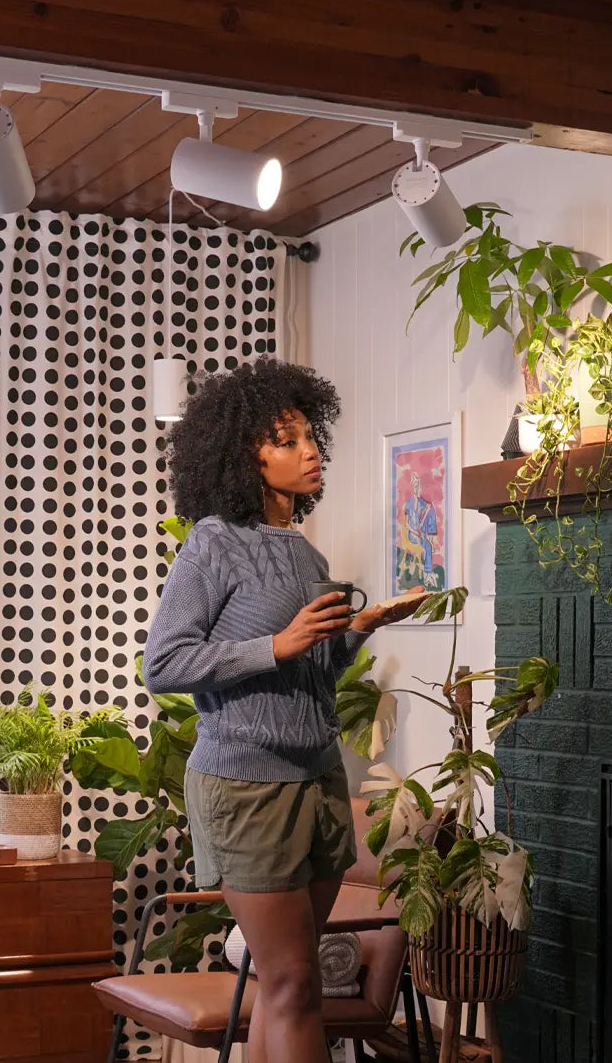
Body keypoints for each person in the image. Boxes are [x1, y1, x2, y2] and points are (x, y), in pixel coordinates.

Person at [143, 358, 423, 1063]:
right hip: (246, 788)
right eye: (288, 439)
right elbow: (164, 663)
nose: (310, 451)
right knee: (296, 981)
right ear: (247, 454)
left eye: (310, 437)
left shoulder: (305, 553)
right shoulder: (212, 543)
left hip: (319, 781)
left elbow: (315, 675)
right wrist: (277, 642)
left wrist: (362, 629)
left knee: (281, 985)